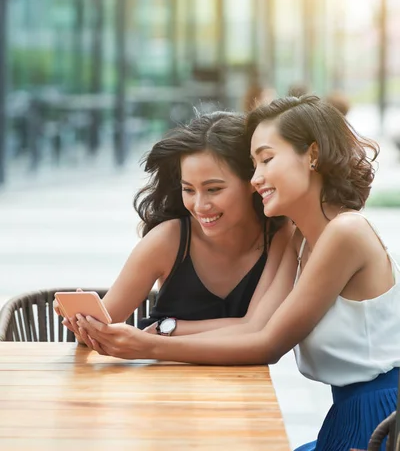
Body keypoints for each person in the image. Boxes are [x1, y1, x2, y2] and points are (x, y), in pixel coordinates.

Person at [77, 95, 400, 451]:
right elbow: (255, 325)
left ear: (311, 155)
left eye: (266, 160)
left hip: (383, 420)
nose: (256, 178)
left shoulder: (346, 233)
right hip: (348, 416)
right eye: (253, 165)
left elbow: (268, 344)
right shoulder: (300, 239)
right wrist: (165, 333)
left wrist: (149, 345)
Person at [57, 111, 290, 340]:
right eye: (188, 189)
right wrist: (85, 324)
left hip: (242, 377)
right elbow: (102, 330)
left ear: (253, 179)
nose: (199, 205)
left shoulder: (280, 236)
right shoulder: (168, 240)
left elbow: (258, 327)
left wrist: (166, 329)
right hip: (158, 375)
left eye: (213, 189)